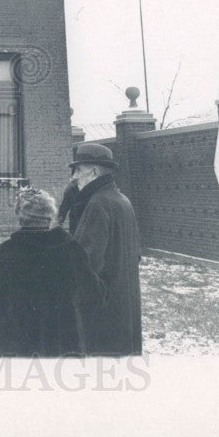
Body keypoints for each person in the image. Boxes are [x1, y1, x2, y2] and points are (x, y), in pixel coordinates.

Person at [0, 187, 99, 357]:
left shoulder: (7, 252)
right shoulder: (72, 250)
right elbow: (93, 293)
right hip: (65, 347)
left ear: (21, 218)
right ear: (51, 217)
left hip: (17, 350)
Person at [66, 143, 143, 356]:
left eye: (78, 170)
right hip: (125, 312)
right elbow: (135, 254)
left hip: (103, 318)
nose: (73, 177)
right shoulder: (121, 200)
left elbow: (83, 266)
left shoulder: (98, 204)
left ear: (94, 171)